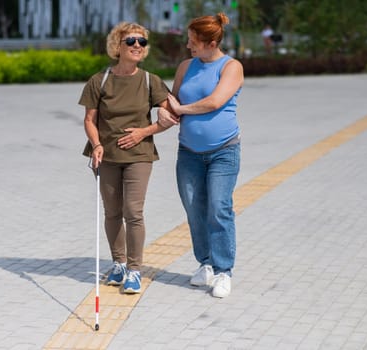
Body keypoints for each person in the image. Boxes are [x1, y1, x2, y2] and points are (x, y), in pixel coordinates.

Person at [79, 22, 174, 294]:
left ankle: (134, 269)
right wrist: (96, 144)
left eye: (142, 42)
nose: (136, 46)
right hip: (106, 155)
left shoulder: (149, 81)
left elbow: (170, 117)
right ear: (117, 46)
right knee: (112, 212)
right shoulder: (100, 80)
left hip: (139, 155)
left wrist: (145, 131)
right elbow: (89, 120)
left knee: (134, 212)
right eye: (131, 41)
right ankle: (118, 263)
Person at [158, 12, 244, 298]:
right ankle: (205, 263)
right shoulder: (186, 66)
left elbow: (215, 101)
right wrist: (164, 110)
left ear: (211, 42)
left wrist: (181, 110)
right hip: (189, 153)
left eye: (193, 41)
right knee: (194, 209)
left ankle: (223, 271)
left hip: (224, 151)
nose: (188, 46)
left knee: (218, 208)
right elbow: (173, 101)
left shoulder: (231, 67)